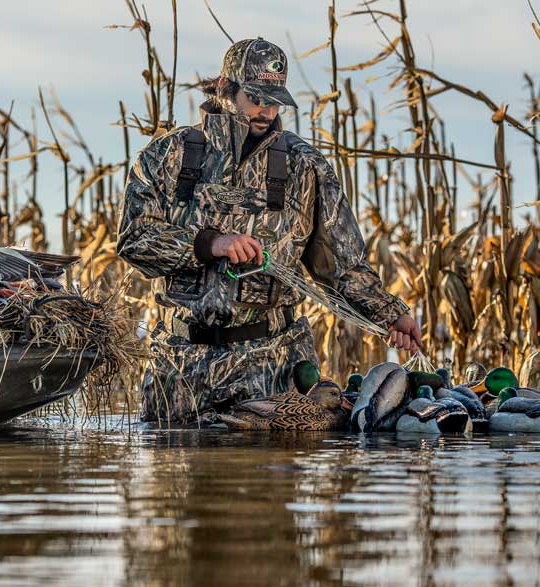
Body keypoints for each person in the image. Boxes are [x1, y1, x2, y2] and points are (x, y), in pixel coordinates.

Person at [116, 37, 423, 424]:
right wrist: (209, 244)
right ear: (225, 89)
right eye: (256, 97)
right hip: (180, 370)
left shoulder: (305, 167)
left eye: (275, 99)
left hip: (275, 369)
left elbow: (343, 266)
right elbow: (133, 240)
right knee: (176, 479)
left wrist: (391, 314)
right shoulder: (166, 155)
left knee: (273, 481)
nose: (266, 110)